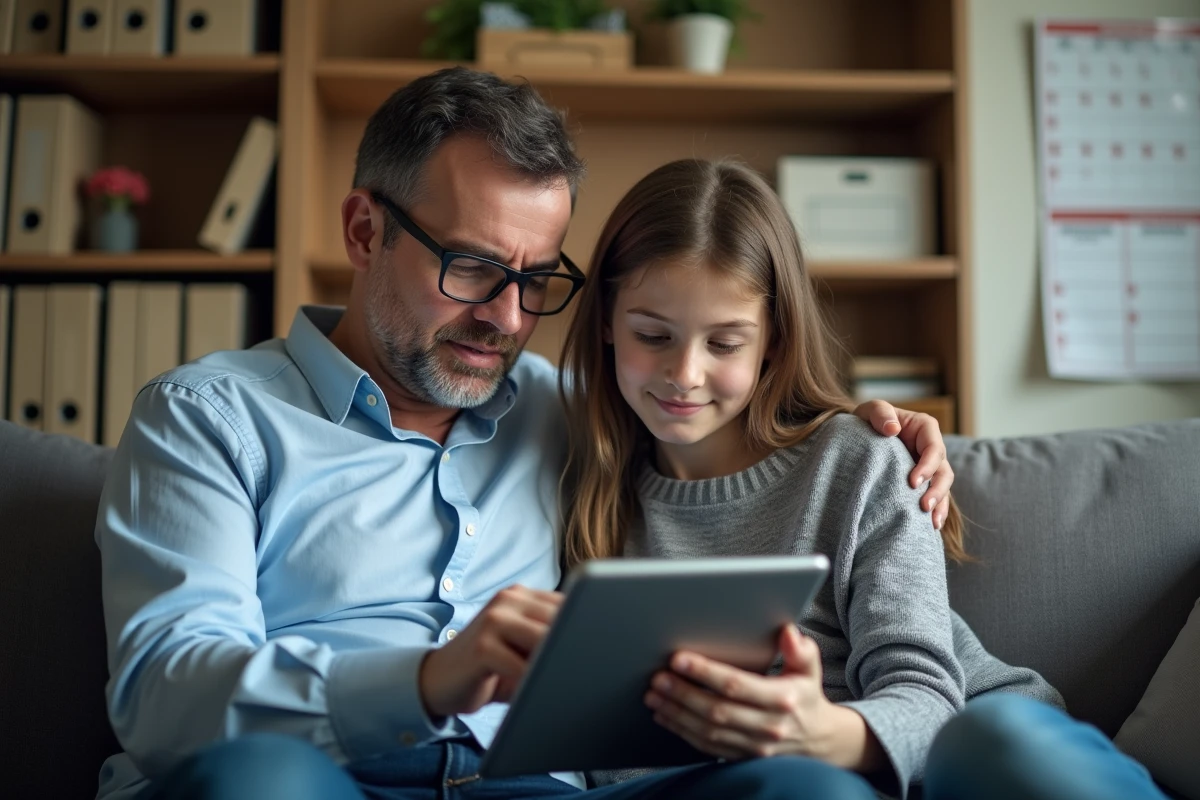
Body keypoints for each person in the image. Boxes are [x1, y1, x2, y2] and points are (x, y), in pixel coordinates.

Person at [93, 67, 953, 800]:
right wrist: (426, 681)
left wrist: (873, 428)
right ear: (364, 231)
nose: (506, 318)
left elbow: (714, 410)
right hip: (326, 773)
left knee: (799, 789)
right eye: (471, 266)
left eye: (536, 278)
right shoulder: (210, 417)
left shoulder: (573, 410)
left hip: (533, 785)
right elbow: (166, 703)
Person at [557, 157, 1170, 800]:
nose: (684, 373)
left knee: (991, 746)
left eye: (725, 343)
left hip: (970, 754)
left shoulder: (857, 460)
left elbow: (930, 697)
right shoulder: (583, 484)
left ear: (773, 339)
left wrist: (815, 732)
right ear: (604, 319)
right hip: (787, 787)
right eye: (652, 335)